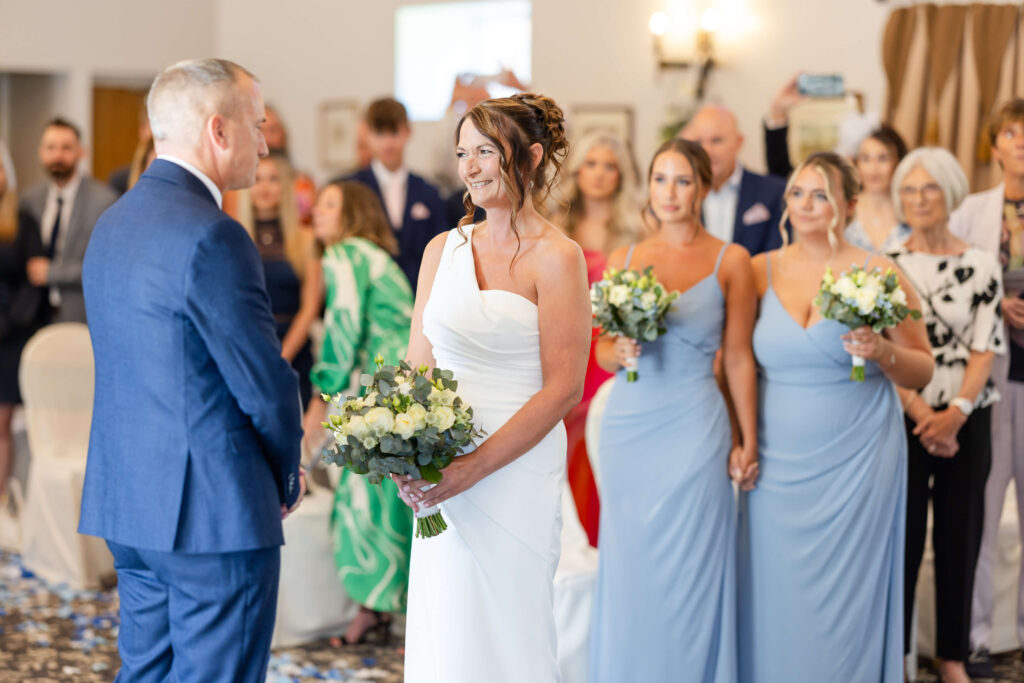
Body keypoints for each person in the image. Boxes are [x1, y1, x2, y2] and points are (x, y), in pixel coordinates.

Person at [79, 58, 305, 682]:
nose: (265, 143)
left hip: (129, 501)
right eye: (257, 126)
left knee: (146, 674)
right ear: (219, 131)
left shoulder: (112, 223)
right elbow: (264, 386)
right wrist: (286, 475)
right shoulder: (215, 235)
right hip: (213, 513)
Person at [396, 93, 590, 682]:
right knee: (447, 622)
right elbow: (416, 369)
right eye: (463, 153)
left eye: (486, 151)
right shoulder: (441, 250)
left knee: (511, 628)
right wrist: (405, 449)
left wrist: (472, 468)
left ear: (528, 158)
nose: (471, 167)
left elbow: (563, 391)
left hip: (515, 470)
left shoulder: (559, 258)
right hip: (443, 469)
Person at [738, 152, 934, 682]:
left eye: (820, 194)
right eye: (798, 193)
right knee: (775, 588)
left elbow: (922, 370)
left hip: (859, 457)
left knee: (850, 595)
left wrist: (882, 352)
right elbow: (730, 363)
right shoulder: (758, 271)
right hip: (776, 463)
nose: (805, 205)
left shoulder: (880, 271)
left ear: (847, 205)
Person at [590, 138, 758, 682]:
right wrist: (617, 351)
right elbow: (601, 349)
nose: (670, 192)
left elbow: (737, 358)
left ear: (704, 188)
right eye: (660, 179)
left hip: (695, 426)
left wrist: (746, 438)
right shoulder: (625, 259)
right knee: (633, 568)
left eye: (683, 180)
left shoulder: (732, 260)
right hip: (629, 430)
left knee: (693, 567)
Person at [887, 147, 1004, 683]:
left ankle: (952, 656)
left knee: (962, 535)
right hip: (904, 412)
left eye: (928, 188)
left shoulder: (981, 262)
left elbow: (986, 345)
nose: (918, 200)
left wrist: (954, 412)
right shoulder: (885, 264)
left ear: (951, 193)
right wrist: (919, 411)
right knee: (904, 536)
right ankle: (901, 655)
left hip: (967, 413)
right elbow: (886, 348)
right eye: (908, 190)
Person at [302, 180, 415, 645]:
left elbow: (343, 329)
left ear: (354, 214)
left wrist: (320, 396)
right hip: (400, 383)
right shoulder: (372, 256)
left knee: (362, 501)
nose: (319, 213)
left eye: (331, 205)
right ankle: (378, 611)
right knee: (384, 498)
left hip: (379, 388)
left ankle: (373, 610)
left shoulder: (347, 254)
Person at [955, 98, 1024, 678]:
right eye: (1011, 132)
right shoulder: (971, 211)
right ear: (995, 143)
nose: (1021, 141)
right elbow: (952, 294)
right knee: (979, 509)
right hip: (991, 384)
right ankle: (974, 636)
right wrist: (995, 306)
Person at [551, 129, 643, 545]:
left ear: (621, 175)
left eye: (610, 165)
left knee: (611, 446)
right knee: (567, 452)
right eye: (591, 164)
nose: (600, 174)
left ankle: (614, 541)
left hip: (617, 353)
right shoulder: (555, 226)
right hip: (569, 346)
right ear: (577, 171)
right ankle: (577, 547)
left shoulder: (637, 230)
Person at [764, 75, 911, 252]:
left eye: (883, 158)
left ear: (898, 162)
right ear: (855, 163)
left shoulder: (912, 209)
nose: (874, 168)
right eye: (865, 158)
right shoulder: (838, 205)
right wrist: (778, 114)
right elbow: (783, 176)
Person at [237, 153, 320, 406]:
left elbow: (310, 307)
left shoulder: (306, 239)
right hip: (248, 351)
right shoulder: (234, 237)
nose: (264, 186)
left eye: (273, 179)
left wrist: (282, 357)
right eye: (258, 178)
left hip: (295, 352)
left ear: (284, 186)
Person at [340, 97, 448, 291]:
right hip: (369, 296)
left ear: (407, 132)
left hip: (419, 295)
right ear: (367, 135)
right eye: (380, 134)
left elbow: (442, 249)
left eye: (394, 133)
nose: (388, 143)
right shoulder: (352, 189)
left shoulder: (428, 192)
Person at [20, 118, 117, 324]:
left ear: (81, 151)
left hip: (79, 316)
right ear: (40, 152)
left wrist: (53, 273)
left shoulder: (104, 201)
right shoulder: (29, 200)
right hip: (33, 316)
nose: (57, 155)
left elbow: (106, 265)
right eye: (50, 147)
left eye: (66, 148)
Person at [680, 105, 786, 256]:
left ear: (738, 142)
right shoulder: (681, 195)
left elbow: (777, 259)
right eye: (698, 143)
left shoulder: (773, 191)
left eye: (716, 140)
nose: (707, 151)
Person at [0, 151, 43, 499]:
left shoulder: (22, 220)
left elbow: (35, 280)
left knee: (1, 425)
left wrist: (10, 321)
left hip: (11, 336)